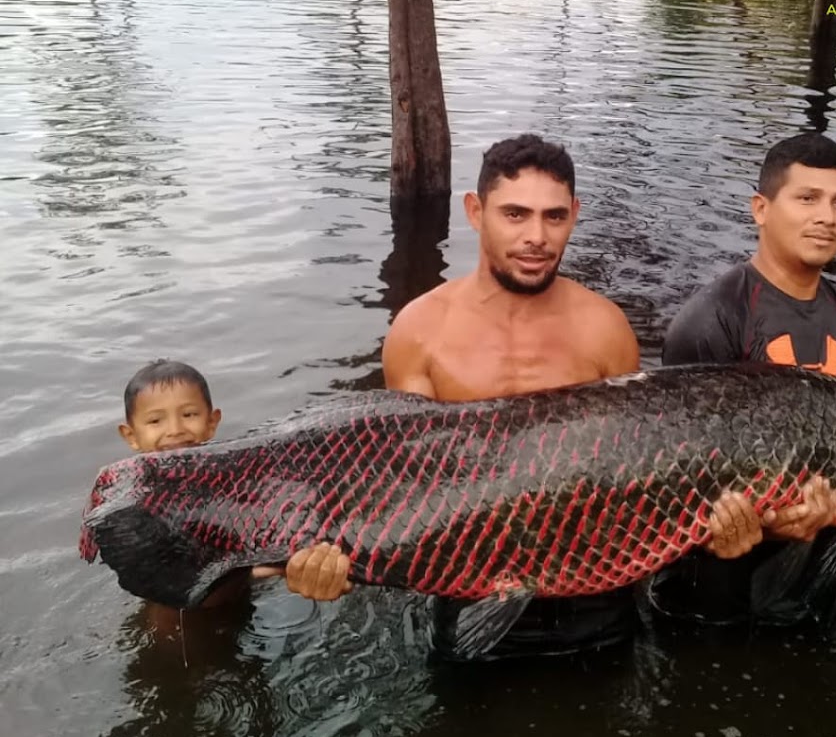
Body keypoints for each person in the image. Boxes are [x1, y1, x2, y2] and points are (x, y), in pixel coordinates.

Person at [382, 133, 643, 658]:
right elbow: (413, 486)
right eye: (516, 214)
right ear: (476, 212)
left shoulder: (605, 328)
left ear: (574, 214)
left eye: (553, 216)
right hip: (468, 583)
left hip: (595, 590)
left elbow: (636, 468)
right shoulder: (419, 331)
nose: (537, 237)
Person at [651, 132, 836, 625]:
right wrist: (775, 524)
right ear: (761, 208)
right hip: (717, 577)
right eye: (807, 198)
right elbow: (673, 480)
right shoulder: (713, 318)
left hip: (814, 562)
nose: (827, 217)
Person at [118, 359, 353, 615]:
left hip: (240, 605)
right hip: (176, 621)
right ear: (131, 436)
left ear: (212, 422)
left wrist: (295, 565)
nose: (175, 430)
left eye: (189, 415)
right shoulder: (137, 505)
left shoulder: (234, 489)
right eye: (155, 421)